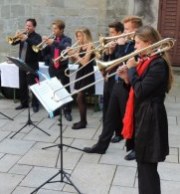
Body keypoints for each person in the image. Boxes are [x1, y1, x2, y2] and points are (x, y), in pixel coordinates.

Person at [119, 25, 173, 194]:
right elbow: (137, 90)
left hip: (151, 118)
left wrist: (133, 69)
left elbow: (142, 91)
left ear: (148, 42)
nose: (134, 47)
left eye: (137, 43)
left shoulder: (158, 64)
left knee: (147, 167)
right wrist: (127, 78)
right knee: (143, 166)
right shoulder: (147, 61)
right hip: (143, 114)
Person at [83, 16, 142, 156]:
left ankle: (134, 147)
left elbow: (126, 61)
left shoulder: (138, 44)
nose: (124, 32)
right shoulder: (126, 42)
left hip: (127, 85)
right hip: (116, 82)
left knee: (129, 117)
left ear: (136, 30)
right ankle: (101, 146)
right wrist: (111, 51)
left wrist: (120, 46)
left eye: (127, 29)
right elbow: (115, 62)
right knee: (109, 117)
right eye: (125, 28)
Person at [42, 19, 72, 121]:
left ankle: (67, 111)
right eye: (53, 28)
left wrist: (53, 42)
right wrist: (44, 45)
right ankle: (55, 110)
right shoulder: (51, 40)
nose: (53, 31)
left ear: (61, 29)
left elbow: (65, 48)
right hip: (52, 68)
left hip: (63, 68)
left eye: (55, 29)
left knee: (65, 89)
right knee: (53, 89)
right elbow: (45, 55)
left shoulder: (67, 39)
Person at [13, 18, 42, 113]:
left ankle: (35, 104)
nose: (27, 27)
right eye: (26, 25)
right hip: (21, 63)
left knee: (34, 85)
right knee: (22, 84)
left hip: (31, 64)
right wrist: (16, 36)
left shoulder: (37, 37)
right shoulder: (23, 36)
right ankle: (24, 103)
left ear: (34, 27)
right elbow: (12, 43)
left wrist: (27, 39)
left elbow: (36, 47)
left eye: (29, 26)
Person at [70, 27, 95, 129]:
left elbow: (85, 62)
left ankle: (83, 122)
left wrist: (76, 55)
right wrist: (71, 55)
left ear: (86, 35)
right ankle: (83, 120)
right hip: (80, 72)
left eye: (80, 36)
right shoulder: (80, 46)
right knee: (80, 98)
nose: (78, 38)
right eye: (77, 36)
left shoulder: (90, 46)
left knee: (80, 97)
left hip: (87, 72)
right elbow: (75, 61)